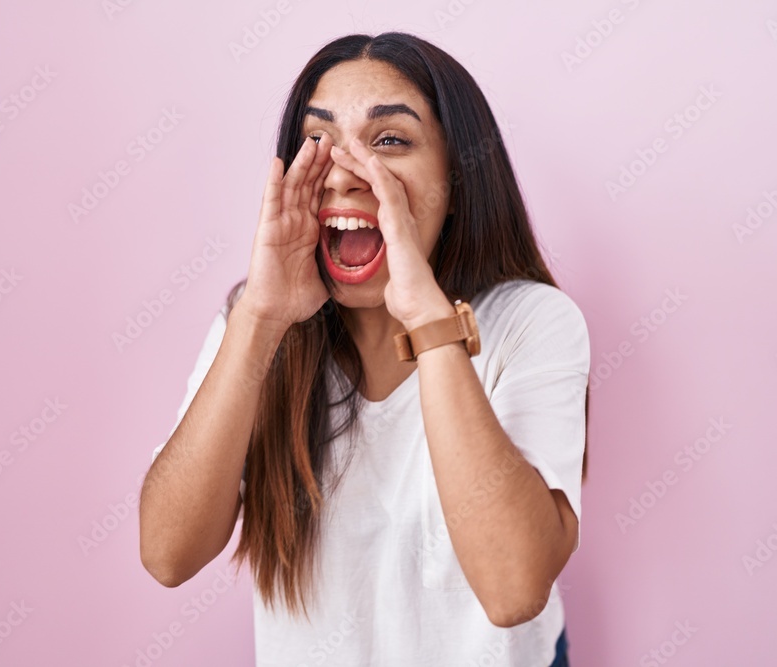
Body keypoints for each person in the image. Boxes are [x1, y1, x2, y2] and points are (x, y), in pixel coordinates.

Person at [139, 32, 590, 666]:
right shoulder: (254, 322)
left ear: (457, 180)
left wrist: (428, 318)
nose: (344, 172)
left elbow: (514, 590)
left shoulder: (531, 321)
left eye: (389, 141)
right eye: (317, 141)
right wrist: (260, 319)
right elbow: (167, 553)